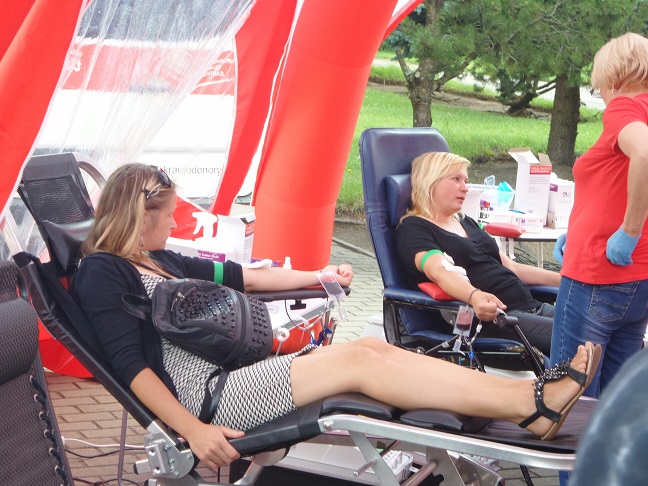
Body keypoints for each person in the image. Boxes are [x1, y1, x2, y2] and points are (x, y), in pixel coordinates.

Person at [72, 163, 599, 470]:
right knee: (358, 361)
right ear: (140, 215)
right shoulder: (104, 271)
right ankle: (529, 405)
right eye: (168, 216)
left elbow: (246, 277)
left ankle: (529, 403)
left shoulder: (159, 259)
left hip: (236, 374)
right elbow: (130, 364)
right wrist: (192, 430)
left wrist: (318, 274)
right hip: (208, 397)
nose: (174, 224)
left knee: (371, 349)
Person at [551, 32, 648, 399]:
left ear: (616, 78)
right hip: (639, 279)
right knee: (614, 400)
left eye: (600, 87)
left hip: (598, 272)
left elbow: (645, 155)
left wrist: (629, 230)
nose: (603, 96)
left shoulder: (625, 107)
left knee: (569, 395)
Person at [395, 152, 561, 356]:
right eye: (456, 179)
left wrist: (564, 280)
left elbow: (512, 267)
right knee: (581, 336)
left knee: (593, 322)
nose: (465, 188)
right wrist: (475, 297)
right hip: (495, 320)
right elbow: (440, 271)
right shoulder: (414, 229)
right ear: (430, 182)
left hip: (530, 307)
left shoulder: (465, 221)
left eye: (465, 180)